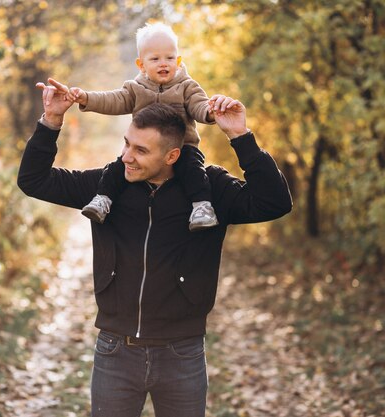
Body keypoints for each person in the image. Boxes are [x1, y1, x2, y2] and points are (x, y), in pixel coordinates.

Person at [18, 78, 292, 417]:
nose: (126, 158)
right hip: (115, 351)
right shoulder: (109, 185)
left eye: (140, 151)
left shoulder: (209, 191)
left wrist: (240, 136)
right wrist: (51, 122)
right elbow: (34, 180)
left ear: (172, 155)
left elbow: (274, 203)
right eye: (126, 144)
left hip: (182, 355)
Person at [65, 22, 223, 231]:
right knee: (117, 168)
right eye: (155, 59)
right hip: (143, 151)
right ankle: (103, 199)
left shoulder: (187, 86)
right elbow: (113, 100)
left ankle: (202, 207)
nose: (163, 63)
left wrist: (210, 112)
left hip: (183, 148)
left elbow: (198, 105)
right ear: (141, 65)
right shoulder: (135, 88)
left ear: (178, 60)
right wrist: (85, 98)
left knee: (193, 170)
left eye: (169, 58)